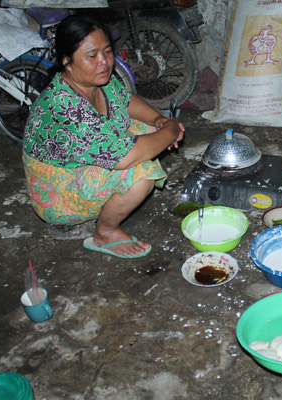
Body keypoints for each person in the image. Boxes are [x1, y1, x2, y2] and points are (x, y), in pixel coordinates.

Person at [23, 14, 184, 259]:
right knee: (141, 174)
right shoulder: (64, 105)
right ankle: (105, 233)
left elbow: (126, 100)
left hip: (84, 164)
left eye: (107, 52)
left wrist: (159, 120)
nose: (104, 62)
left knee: (151, 131)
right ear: (66, 60)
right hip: (60, 193)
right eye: (92, 56)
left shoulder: (96, 81)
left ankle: (115, 203)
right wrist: (171, 129)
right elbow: (125, 158)